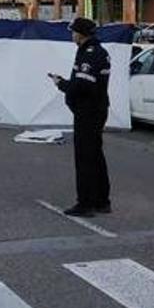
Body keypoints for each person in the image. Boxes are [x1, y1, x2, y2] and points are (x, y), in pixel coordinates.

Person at [51, 17, 111, 217]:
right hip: (95, 109)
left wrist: (62, 85)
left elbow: (83, 85)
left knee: (85, 157)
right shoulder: (96, 51)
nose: (72, 35)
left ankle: (85, 203)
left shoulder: (90, 54)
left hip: (89, 111)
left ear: (81, 34)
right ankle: (102, 200)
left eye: (74, 31)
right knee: (95, 155)